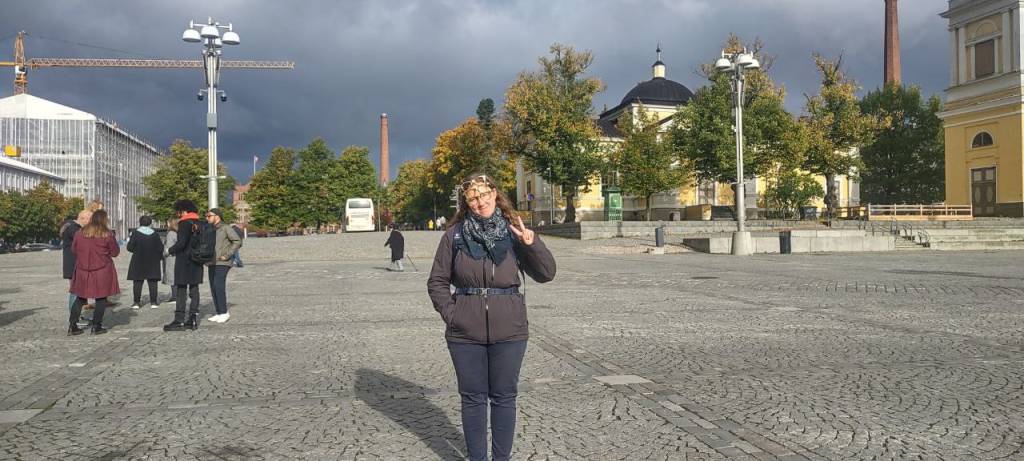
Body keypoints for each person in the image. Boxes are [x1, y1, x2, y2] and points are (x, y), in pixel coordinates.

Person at [427, 173, 556, 461]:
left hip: (509, 330)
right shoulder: (454, 236)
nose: (480, 201)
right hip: (465, 332)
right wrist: (454, 314)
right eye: (473, 197)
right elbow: (436, 282)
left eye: (484, 194)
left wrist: (531, 243)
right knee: (473, 400)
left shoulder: (514, 233)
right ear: (466, 202)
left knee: (504, 397)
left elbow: (546, 274)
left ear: (495, 193)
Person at [68, 210, 120, 335]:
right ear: (104, 220)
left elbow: (73, 249)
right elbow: (115, 252)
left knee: (80, 298)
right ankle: (96, 326)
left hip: (83, 269)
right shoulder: (106, 234)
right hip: (102, 269)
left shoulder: (80, 232)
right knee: (101, 298)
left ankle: (72, 325)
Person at [163, 200, 204, 331]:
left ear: (183, 210)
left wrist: (169, 250)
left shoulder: (184, 223)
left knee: (181, 290)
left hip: (184, 261)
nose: (178, 214)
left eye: (179, 211)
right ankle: (193, 318)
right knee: (194, 289)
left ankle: (179, 319)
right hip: (197, 261)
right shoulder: (201, 223)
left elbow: (181, 244)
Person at [204, 208, 241, 323]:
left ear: (217, 216)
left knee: (218, 285)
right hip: (212, 261)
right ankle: (219, 312)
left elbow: (237, 241)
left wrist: (227, 255)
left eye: (209, 216)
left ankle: (224, 312)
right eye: (206, 216)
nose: (207, 218)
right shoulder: (209, 229)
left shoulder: (226, 228)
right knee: (213, 286)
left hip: (223, 262)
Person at [61, 210, 92, 325]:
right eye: (90, 220)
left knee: (78, 291)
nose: (91, 223)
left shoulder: (68, 225)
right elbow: (84, 242)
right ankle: (74, 319)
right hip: (74, 264)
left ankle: (77, 316)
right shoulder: (74, 229)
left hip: (72, 263)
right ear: (83, 218)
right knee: (75, 292)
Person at [126, 216, 163, 309]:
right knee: (153, 281)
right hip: (153, 261)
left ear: (140, 222)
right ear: (150, 223)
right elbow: (160, 248)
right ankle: (154, 302)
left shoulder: (135, 233)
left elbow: (129, 247)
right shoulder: (155, 234)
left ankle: (136, 303)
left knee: (137, 282)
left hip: (138, 260)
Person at [162, 217, 178, 303]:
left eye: (168, 222)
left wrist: (163, 254)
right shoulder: (176, 232)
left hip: (171, 258)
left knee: (172, 277)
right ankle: (175, 296)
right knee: (175, 276)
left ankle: (175, 296)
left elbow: (168, 248)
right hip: (176, 257)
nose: (166, 224)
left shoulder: (170, 233)